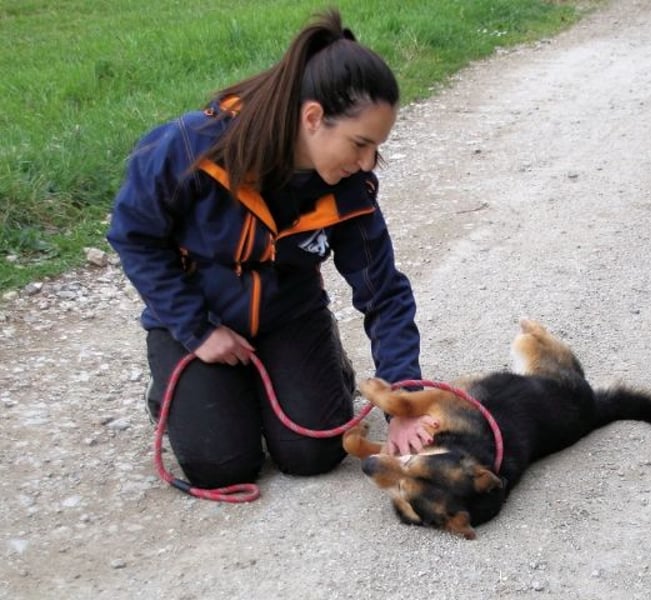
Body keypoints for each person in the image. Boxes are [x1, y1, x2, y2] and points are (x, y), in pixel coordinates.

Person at [107, 9, 435, 490]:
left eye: (375, 148)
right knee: (219, 467)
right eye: (359, 144)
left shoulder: (349, 186)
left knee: (314, 452)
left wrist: (404, 403)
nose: (367, 163)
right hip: (200, 318)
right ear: (313, 117)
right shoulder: (187, 148)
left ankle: (314, 370)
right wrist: (196, 330)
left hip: (289, 315)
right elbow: (133, 237)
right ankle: (179, 393)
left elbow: (384, 291)